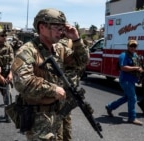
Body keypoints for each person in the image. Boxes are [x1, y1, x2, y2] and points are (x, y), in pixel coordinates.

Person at [11, 8, 89, 141]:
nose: (61, 31)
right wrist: (53, 89)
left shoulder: (59, 49)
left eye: (62, 28)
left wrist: (76, 39)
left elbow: (82, 62)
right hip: (38, 117)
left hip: (57, 114)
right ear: (42, 27)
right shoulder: (27, 51)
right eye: (57, 27)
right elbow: (22, 82)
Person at [105, 40, 143, 126]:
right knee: (133, 98)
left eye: (134, 46)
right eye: (131, 46)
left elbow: (138, 66)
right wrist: (136, 68)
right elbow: (123, 68)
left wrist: (140, 70)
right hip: (125, 80)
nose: (133, 48)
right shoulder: (123, 55)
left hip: (132, 80)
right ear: (128, 46)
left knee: (127, 97)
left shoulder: (135, 55)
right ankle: (132, 118)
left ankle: (110, 106)